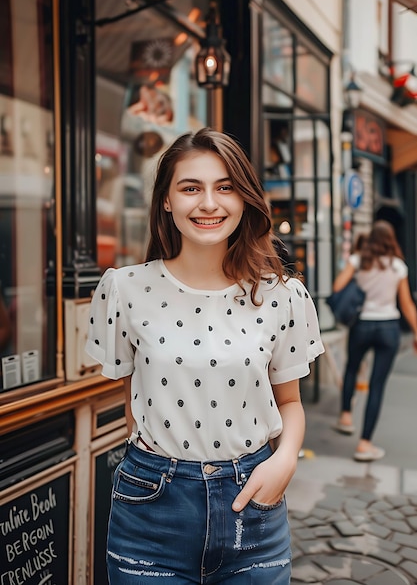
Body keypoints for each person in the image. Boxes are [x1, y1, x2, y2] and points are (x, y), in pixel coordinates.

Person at [85, 127, 324, 584]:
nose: (209, 203)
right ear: (167, 201)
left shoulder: (282, 296)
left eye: (226, 187)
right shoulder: (125, 289)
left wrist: (286, 459)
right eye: (191, 188)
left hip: (253, 503)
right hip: (151, 508)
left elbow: (289, 402)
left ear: (244, 199)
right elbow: (129, 400)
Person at [334, 220, 417, 462]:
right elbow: (407, 305)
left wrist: (358, 286)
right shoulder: (398, 267)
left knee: (351, 368)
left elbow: (337, 286)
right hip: (388, 328)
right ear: (391, 240)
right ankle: (364, 444)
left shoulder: (359, 260)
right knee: (377, 386)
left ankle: (346, 417)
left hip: (362, 325)